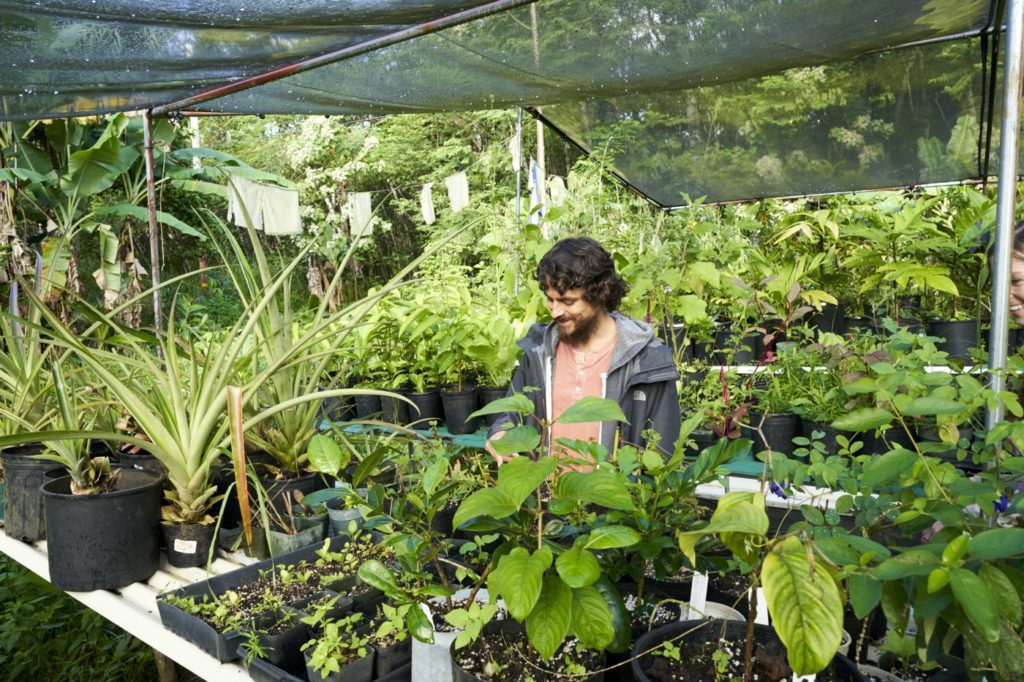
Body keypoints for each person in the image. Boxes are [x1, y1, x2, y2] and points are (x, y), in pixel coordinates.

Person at [487, 237, 681, 466]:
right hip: (545, 497)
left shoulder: (648, 361)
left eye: (568, 301)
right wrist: (499, 435)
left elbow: (663, 451)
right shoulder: (540, 350)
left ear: (601, 293)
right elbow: (510, 411)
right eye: (550, 300)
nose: (555, 312)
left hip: (611, 497)